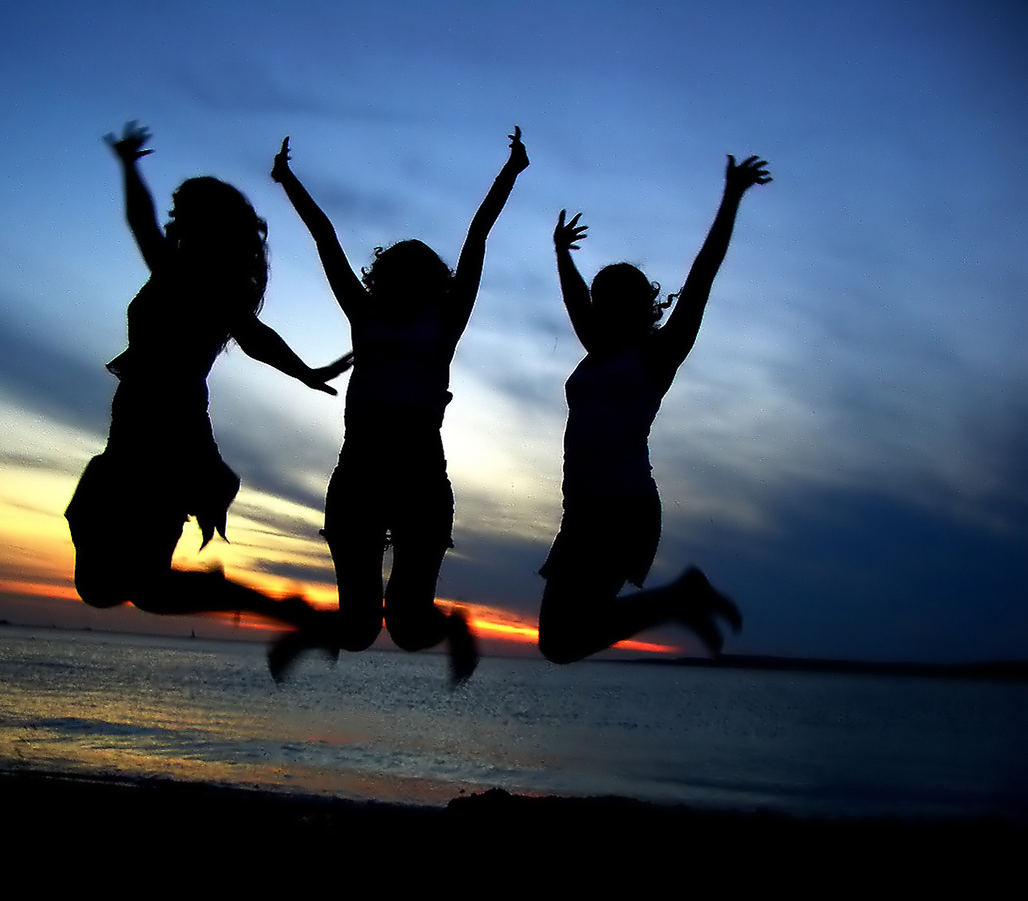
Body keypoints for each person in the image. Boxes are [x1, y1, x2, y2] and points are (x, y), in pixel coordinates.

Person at [268, 128, 530, 682]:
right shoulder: (365, 315)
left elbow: (477, 237)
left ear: (433, 283)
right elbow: (325, 238)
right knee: (359, 628)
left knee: (410, 628)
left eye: (417, 276)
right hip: (360, 467)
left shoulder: (446, 320)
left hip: (419, 472)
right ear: (383, 280)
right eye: (396, 275)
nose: (405, 283)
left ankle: (453, 627)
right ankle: (314, 631)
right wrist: (287, 179)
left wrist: (511, 172)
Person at [66, 122, 351, 625]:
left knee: (128, 585)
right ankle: (272, 607)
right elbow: (143, 223)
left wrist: (305, 373)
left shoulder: (198, 281)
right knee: (112, 584)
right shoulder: (184, 274)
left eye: (187, 215)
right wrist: (130, 167)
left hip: (168, 436)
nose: (177, 223)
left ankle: (275, 608)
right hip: (135, 429)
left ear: (208, 227)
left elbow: (253, 336)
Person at [538, 154, 770, 664]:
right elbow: (575, 297)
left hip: (621, 509)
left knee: (562, 641)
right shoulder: (597, 351)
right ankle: (678, 600)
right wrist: (561, 254)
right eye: (602, 300)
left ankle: (678, 599)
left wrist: (731, 198)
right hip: (581, 510)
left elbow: (703, 273)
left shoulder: (657, 356)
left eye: (618, 299)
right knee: (558, 641)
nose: (603, 307)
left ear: (642, 305)